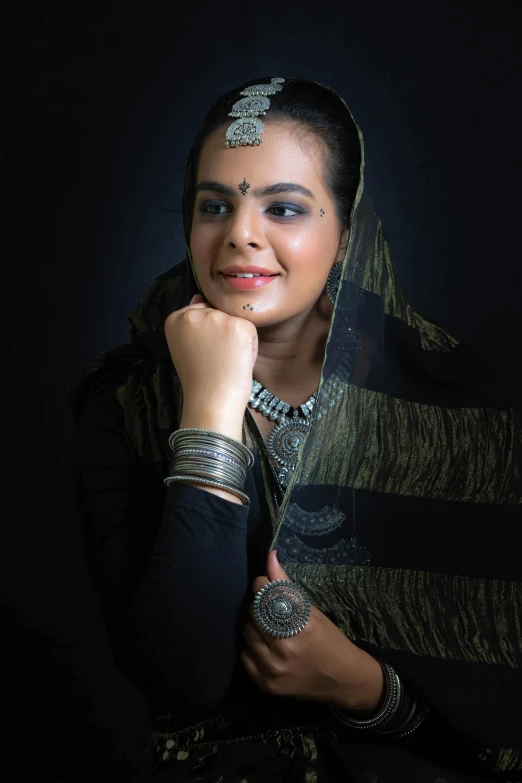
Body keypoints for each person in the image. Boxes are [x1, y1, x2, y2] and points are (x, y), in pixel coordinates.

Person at [67, 77, 522, 782]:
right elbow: (180, 675)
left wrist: (364, 686)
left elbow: (502, 714)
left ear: (347, 232)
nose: (240, 233)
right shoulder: (125, 402)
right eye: (214, 204)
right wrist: (213, 405)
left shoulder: (455, 408)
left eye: (283, 207)